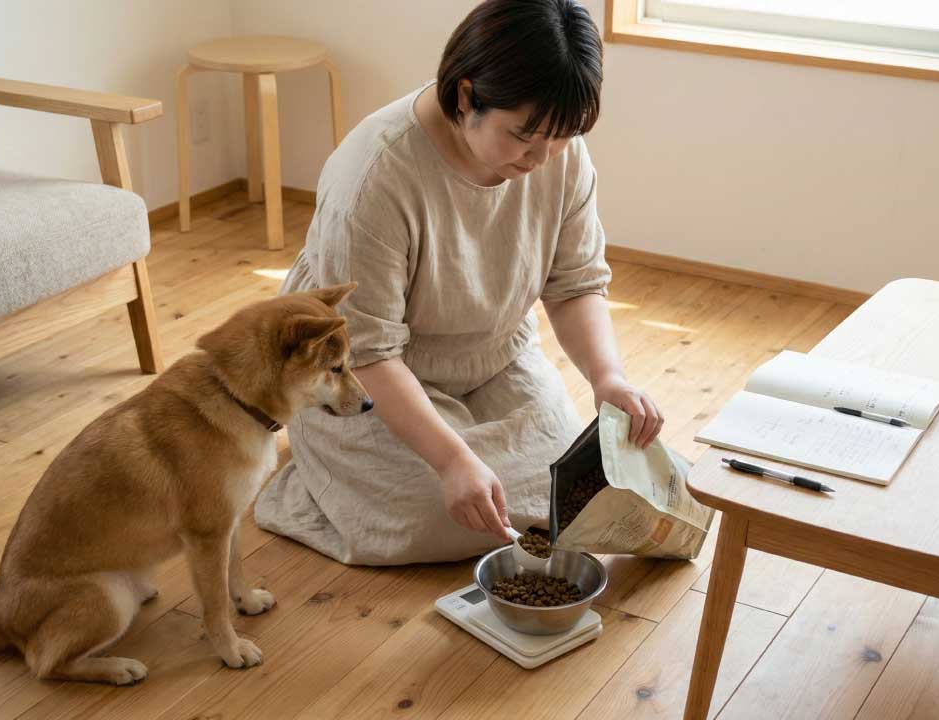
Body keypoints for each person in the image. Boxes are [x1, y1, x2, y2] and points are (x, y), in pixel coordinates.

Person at [256, 0, 663, 565]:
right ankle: (316, 476)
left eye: (562, 137)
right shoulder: (375, 174)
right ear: (467, 97)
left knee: (567, 493)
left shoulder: (555, 150)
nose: (544, 158)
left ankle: (411, 466)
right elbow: (365, 351)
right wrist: (449, 462)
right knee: (432, 514)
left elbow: (574, 283)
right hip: (370, 375)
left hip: (494, 356)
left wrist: (607, 377)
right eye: (525, 136)